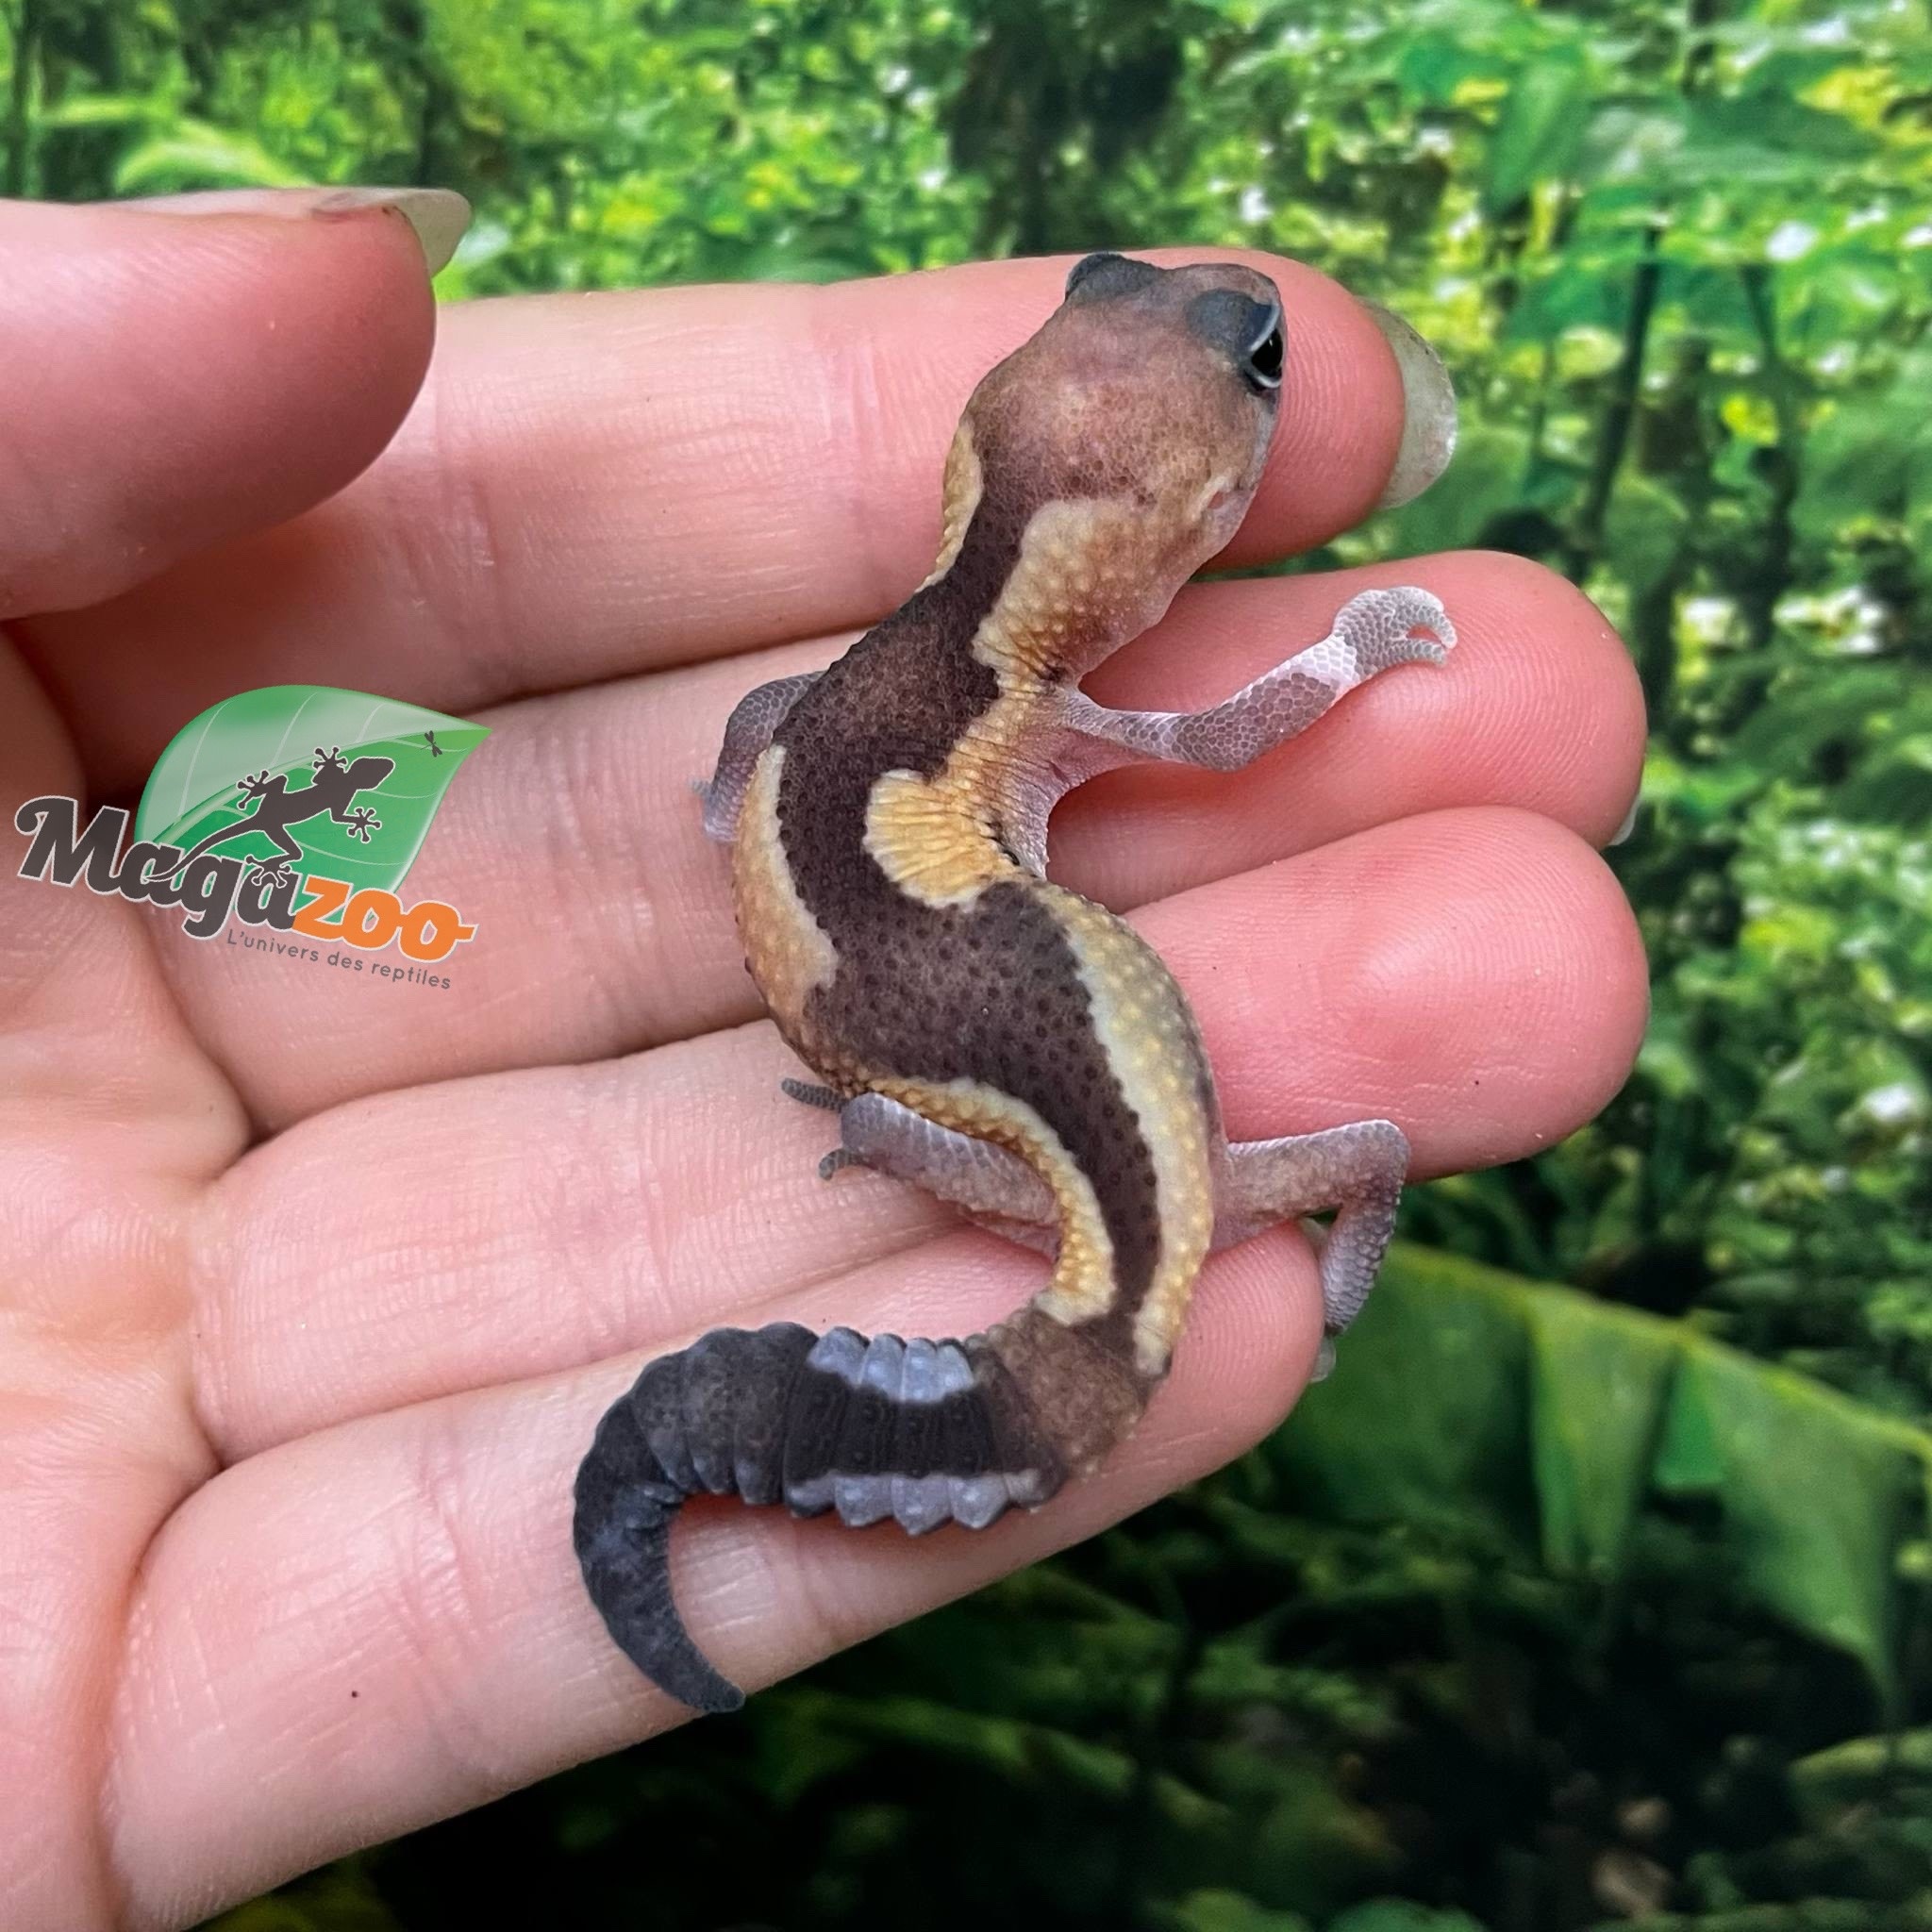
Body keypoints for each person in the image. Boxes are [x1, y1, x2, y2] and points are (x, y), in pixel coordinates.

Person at [0, 187, 1649, 1929]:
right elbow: (1225, 738)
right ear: (1185, 533)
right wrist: (1349, 642)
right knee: (1336, 1147)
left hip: (932, 1069)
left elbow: (757, 738)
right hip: (979, 1110)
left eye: (1240, 356)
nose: (1228, 326)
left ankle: (1063, 1191)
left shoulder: (860, 688)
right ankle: (1299, 1255)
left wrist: (742, 828)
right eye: (1248, 363)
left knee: (1057, 1135)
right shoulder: (1043, 709)